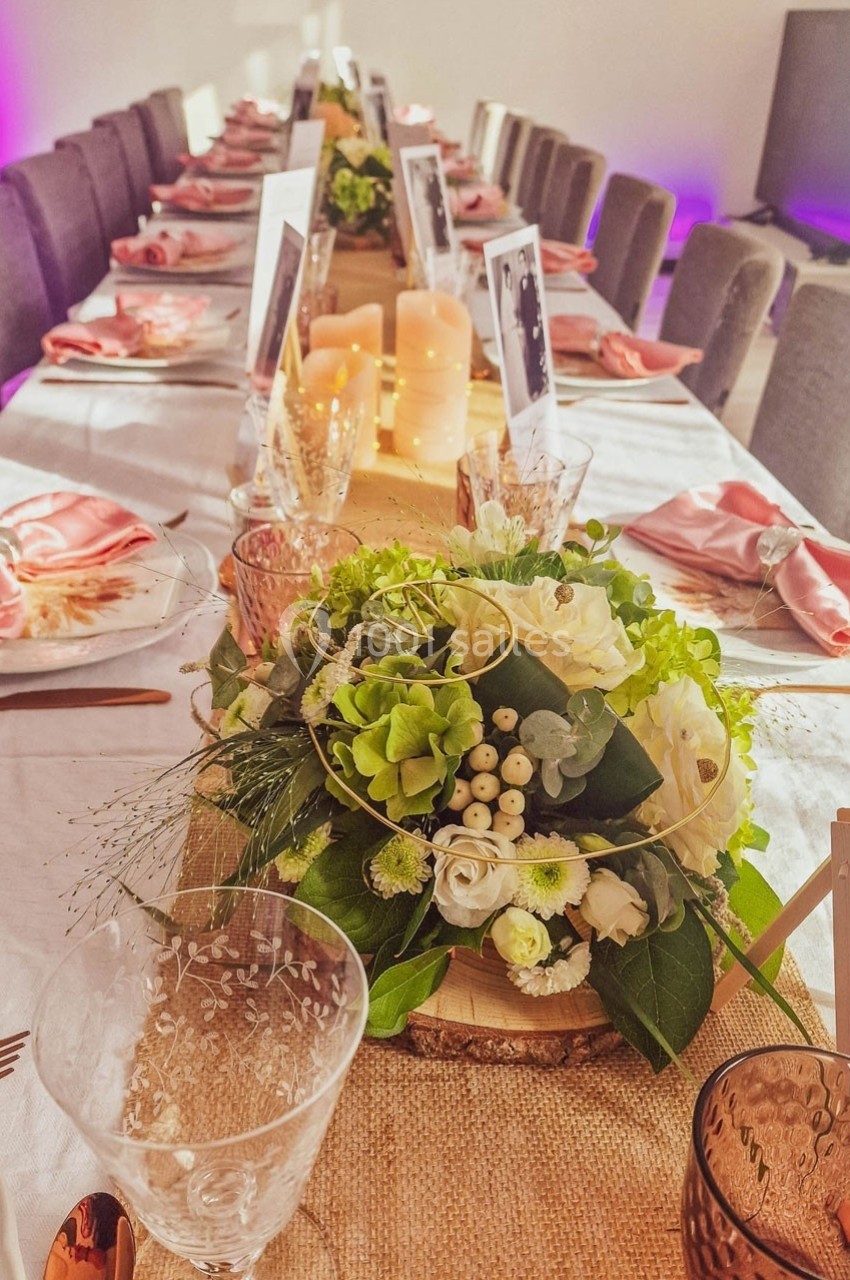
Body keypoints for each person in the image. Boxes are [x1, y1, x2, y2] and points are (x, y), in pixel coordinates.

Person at [499, 262, 528, 416]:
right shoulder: (505, 292)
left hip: (514, 332)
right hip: (511, 333)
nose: (509, 279)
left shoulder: (510, 290)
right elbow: (506, 316)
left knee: (519, 364)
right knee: (514, 363)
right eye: (507, 276)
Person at [518, 247, 546, 400]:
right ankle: (531, 386)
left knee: (535, 353)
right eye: (520, 261)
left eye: (523, 261)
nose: (522, 264)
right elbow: (523, 304)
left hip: (532, 324)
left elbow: (534, 303)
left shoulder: (530, 280)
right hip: (526, 324)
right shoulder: (522, 281)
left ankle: (538, 385)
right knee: (529, 352)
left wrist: (535, 324)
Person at [425, 164, 450, 250]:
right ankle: (441, 242)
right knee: (437, 225)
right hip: (435, 207)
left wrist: (439, 205)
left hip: (438, 206)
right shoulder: (429, 181)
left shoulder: (435, 180)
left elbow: (437, 193)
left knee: (440, 224)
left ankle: (443, 242)